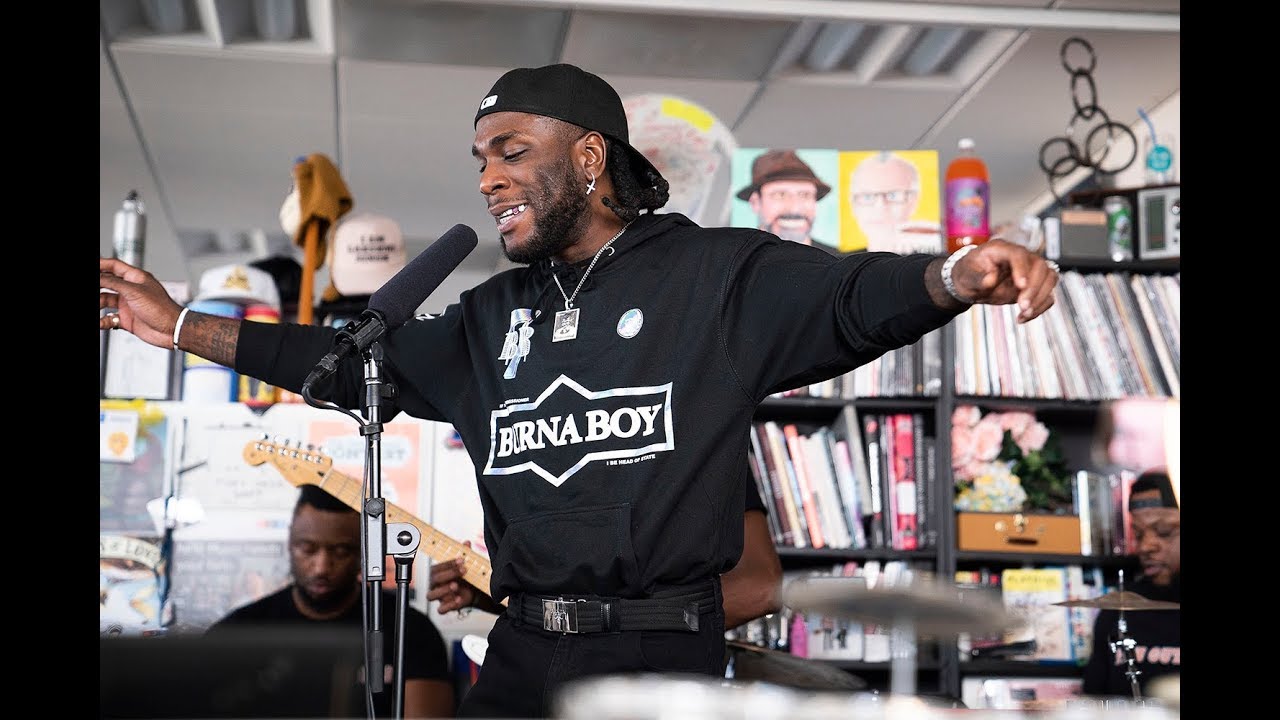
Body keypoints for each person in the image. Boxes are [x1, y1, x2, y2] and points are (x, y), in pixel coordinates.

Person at [100, 62, 1060, 718]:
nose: (487, 177)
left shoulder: (714, 276)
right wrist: (176, 325)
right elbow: (343, 364)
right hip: (518, 660)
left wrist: (958, 275)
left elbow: (853, 297)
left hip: (659, 660)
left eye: (511, 150)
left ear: (591, 157)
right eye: (480, 158)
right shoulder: (487, 318)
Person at [205, 485, 456, 719]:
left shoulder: (410, 630)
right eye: (308, 549)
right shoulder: (237, 633)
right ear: (290, 545)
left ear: (363, 552)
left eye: (341, 551)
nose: (322, 567)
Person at [428, 470, 784, 631]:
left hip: (656, 685)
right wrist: (492, 595)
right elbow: (569, 593)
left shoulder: (705, 426)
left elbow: (760, 587)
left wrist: (615, 627)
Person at [1081, 470, 1180, 698]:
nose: (1146, 547)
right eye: (1138, 534)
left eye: (1163, 532)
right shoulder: (1118, 610)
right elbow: (1094, 704)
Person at [735, 149, 833, 250]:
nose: (794, 208)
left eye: (804, 195)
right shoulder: (732, 263)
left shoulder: (838, 262)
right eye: (780, 195)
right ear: (755, 202)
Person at [848, 151, 942, 255]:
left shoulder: (934, 255)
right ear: (853, 204)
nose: (881, 206)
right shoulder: (841, 265)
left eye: (893, 195)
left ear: (914, 200)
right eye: (867, 196)